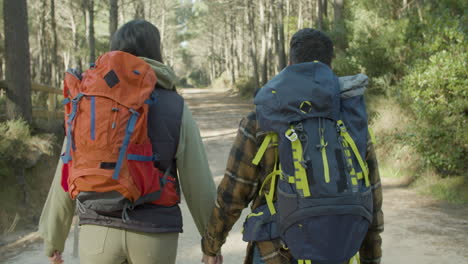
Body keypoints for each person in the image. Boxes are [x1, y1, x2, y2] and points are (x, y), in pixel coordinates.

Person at [39, 19, 219, 264]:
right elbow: (197, 180)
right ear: (157, 53)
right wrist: (211, 243)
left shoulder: (90, 102)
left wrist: (54, 239)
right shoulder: (174, 105)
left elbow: (68, 167)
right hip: (154, 234)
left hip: (97, 231)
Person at [201, 28, 383, 264]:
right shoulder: (351, 120)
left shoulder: (261, 119)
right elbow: (371, 196)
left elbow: (233, 193)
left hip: (274, 252)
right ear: (330, 66)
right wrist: (371, 258)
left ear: (289, 64)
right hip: (337, 250)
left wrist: (211, 247)